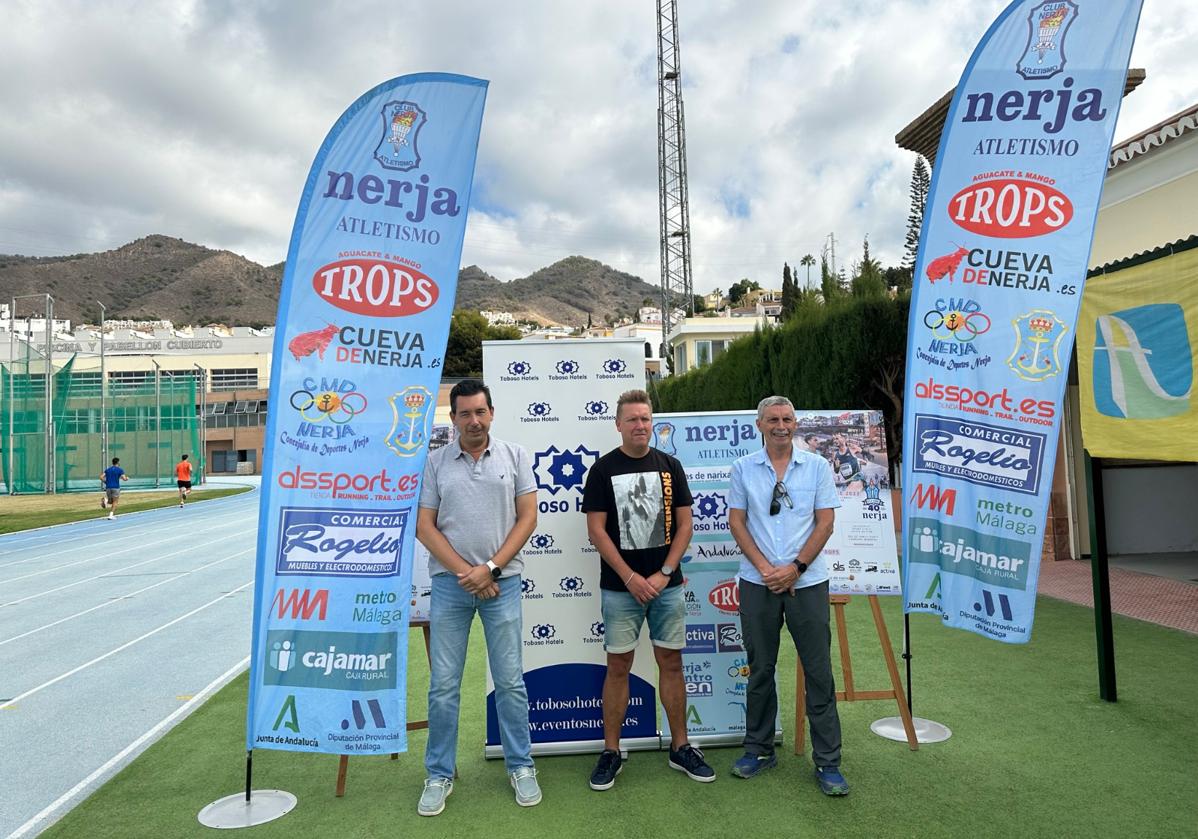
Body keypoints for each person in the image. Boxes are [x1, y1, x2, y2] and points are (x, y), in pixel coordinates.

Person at [415, 378, 540, 816]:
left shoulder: (515, 456)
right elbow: (424, 526)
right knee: (443, 686)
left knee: (509, 681)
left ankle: (521, 766)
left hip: (501, 584)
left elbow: (528, 519)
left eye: (480, 411)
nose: (474, 420)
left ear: (491, 413)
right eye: (465, 413)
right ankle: (438, 774)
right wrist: (468, 573)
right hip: (451, 586)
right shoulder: (433, 463)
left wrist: (491, 569)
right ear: (453, 419)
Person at [582, 389, 714, 790]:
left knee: (671, 663)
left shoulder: (670, 466)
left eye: (645, 418)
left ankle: (681, 746)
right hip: (621, 590)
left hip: (667, 587)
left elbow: (686, 525)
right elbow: (596, 531)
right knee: (618, 666)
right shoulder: (603, 471)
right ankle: (610, 751)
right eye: (632, 419)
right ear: (618, 424)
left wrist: (663, 573)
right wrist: (630, 577)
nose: (640, 425)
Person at [727, 395, 848, 796]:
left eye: (788, 419)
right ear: (759, 425)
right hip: (758, 583)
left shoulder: (817, 467)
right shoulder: (743, 468)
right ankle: (758, 750)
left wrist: (795, 568)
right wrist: (765, 570)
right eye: (773, 419)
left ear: (796, 424)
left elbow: (826, 522)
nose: (782, 425)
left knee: (818, 672)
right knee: (760, 669)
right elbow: (737, 522)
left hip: (807, 583)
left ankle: (828, 763)